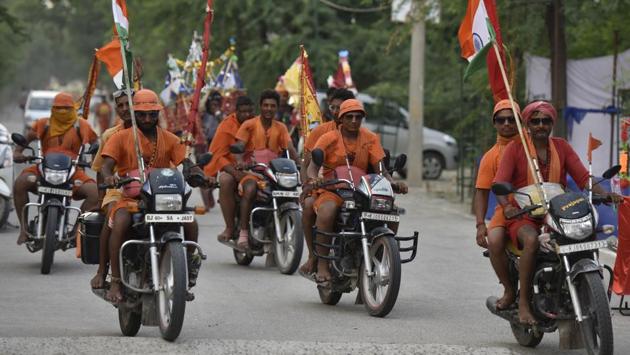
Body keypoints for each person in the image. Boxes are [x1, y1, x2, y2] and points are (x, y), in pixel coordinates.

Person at [493, 100, 624, 325]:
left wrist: (606, 194)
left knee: (586, 233)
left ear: (552, 123)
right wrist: (508, 207)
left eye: (546, 121)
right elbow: (500, 182)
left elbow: (584, 178)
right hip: (525, 215)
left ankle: (588, 291)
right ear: (527, 124)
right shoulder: (516, 147)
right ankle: (523, 301)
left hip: (558, 212)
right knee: (531, 240)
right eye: (535, 121)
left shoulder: (562, 146)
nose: (541, 125)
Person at [100, 89, 209, 303]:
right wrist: (109, 178)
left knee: (191, 224)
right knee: (120, 221)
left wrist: (200, 174)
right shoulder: (119, 138)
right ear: (134, 114)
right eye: (142, 114)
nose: (147, 119)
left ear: (158, 113)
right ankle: (114, 280)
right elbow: (106, 167)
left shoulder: (169, 138)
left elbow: (186, 163)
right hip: (132, 199)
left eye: (152, 114)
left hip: (163, 200)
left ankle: (186, 274)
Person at [303, 99, 408, 283]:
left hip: (363, 191)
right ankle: (321, 264)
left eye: (358, 117)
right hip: (334, 189)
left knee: (391, 211)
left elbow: (380, 169)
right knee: (327, 212)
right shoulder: (328, 138)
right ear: (341, 119)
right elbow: (312, 166)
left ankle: (381, 255)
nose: (353, 120)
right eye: (349, 117)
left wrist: (393, 183)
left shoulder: (371, 138)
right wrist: (314, 178)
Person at [13, 92, 99, 245]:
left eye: (66, 108)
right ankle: (24, 229)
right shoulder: (43, 124)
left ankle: (76, 232)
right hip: (43, 169)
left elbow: (95, 142)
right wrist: (17, 152)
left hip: (73, 171)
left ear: (72, 109)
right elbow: (26, 138)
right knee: (20, 183)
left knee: (95, 193)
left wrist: (94, 159)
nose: (62, 112)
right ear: (52, 109)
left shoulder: (82, 125)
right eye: (58, 108)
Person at [231, 89, 299, 250]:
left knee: (292, 195)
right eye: (266, 105)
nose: (269, 109)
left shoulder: (281, 127)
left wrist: (300, 164)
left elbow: (291, 149)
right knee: (250, 189)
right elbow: (239, 146)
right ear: (261, 107)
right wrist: (241, 162)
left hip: (276, 174)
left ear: (277, 108)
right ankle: (244, 233)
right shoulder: (249, 125)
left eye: (272, 106)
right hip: (253, 172)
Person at [298, 88, 355, 275]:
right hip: (324, 187)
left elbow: (376, 166)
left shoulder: (366, 136)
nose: (336, 112)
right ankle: (314, 256)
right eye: (333, 107)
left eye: (341, 108)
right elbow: (307, 164)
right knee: (308, 205)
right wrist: (308, 185)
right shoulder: (321, 132)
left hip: (354, 190)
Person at [473, 99, 521, 310]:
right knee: (494, 240)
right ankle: (509, 289)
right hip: (507, 209)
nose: (507, 123)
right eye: (501, 120)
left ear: (520, 120)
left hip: (538, 204)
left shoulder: (532, 147)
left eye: (512, 119)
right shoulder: (490, 156)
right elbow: (481, 192)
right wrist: (480, 225)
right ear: (495, 123)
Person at [89, 88, 133, 289]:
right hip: (118, 189)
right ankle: (103, 271)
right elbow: (100, 170)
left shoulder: (155, 132)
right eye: (121, 105)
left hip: (148, 189)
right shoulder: (110, 135)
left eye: (128, 104)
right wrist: (101, 199)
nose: (125, 109)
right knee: (113, 217)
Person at [205, 95, 255, 243]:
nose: (247, 115)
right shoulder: (226, 126)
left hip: (257, 167)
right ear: (236, 111)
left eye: (249, 112)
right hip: (233, 168)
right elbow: (218, 155)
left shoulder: (258, 124)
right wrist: (235, 173)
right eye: (243, 112)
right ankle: (230, 227)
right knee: (225, 180)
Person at [198, 91, 223, 211]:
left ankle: (210, 192)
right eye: (212, 104)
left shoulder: (221, 115)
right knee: (203, 176)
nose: (214, 106)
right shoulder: (202, 115)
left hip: (216, 148)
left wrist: (217, 112)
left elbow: (223, 124)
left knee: (214, 177)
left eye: (216, 104)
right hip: (203, 147)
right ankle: (206, 203)